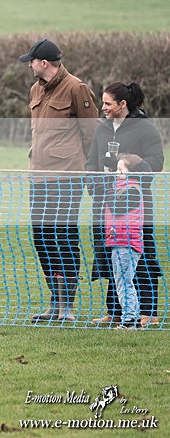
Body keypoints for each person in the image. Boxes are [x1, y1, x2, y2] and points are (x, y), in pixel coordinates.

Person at [20, 38, 98, 322]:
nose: (28, 65)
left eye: (31, 60)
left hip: (67, 177)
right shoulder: (35, 89)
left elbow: (91, 135)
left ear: (44, 63)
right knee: (41, 238)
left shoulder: (77, 88)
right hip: (38, 177)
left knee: (64, 238)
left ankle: (68, 306)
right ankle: (55, 301)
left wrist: (90, 173)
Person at [86, 82, 163, 327]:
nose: (103, 107)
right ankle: (116, 311)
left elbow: (156, 163)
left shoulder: (145, 129)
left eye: (108, 103)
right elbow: (91, 161)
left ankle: (149, 311)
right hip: (105, 204)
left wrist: (132, 163)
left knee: (141, 257)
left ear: (123, 105)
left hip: (135, 206)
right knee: (109, 256)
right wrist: (94, 184)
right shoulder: (102, 129)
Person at [103, 154, 152, 329]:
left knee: (125, 282)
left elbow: (116, 207)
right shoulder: (120, 187)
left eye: (120, 170)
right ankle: (132, 318)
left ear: (132, 173)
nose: (116, 173)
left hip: (127, 244)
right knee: (121, 281)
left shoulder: (133, 190)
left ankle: (130, 320)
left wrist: (106, 188)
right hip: (117, 241)